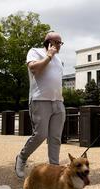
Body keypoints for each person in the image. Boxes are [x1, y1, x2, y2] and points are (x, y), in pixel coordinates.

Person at [14, 32, 66, 178]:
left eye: (61, 43)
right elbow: (34, 69)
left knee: (55, 137)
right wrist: (48, 56)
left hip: (58, 101)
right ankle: (22, 158)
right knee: (40, 135)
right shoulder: (35, 52)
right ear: (50, 42)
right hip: (40, 100)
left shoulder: (59, 59)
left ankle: (54, 170)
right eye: (58, 42)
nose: (60, 46)